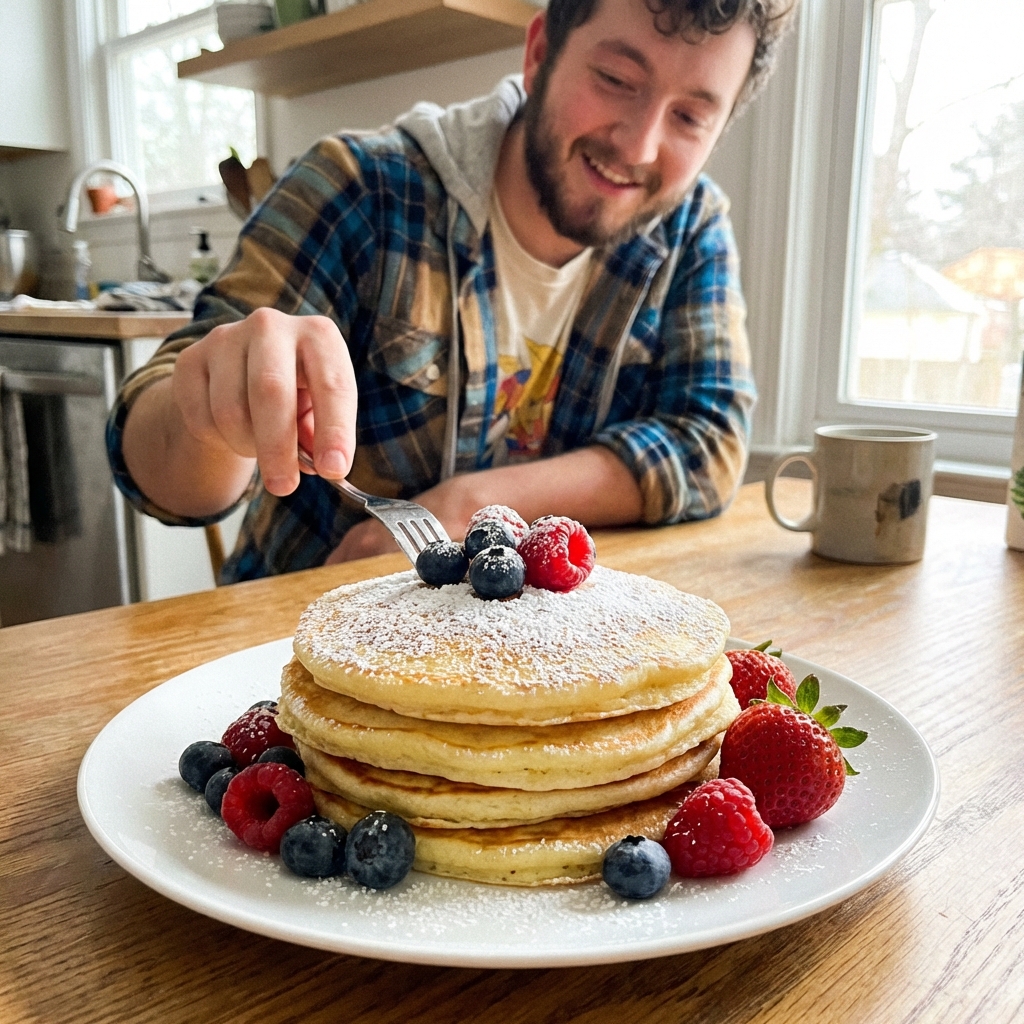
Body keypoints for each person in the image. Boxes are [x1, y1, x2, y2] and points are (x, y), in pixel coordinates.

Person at [108, 0, 796, 581]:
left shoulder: (691, 227)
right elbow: (164, 478)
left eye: (691, 117)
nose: (640, 145)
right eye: (617, 78)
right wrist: (213, 412)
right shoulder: (360, 188)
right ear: (540, 53)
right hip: (292, 649)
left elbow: (709, 444)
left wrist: (471, 503)